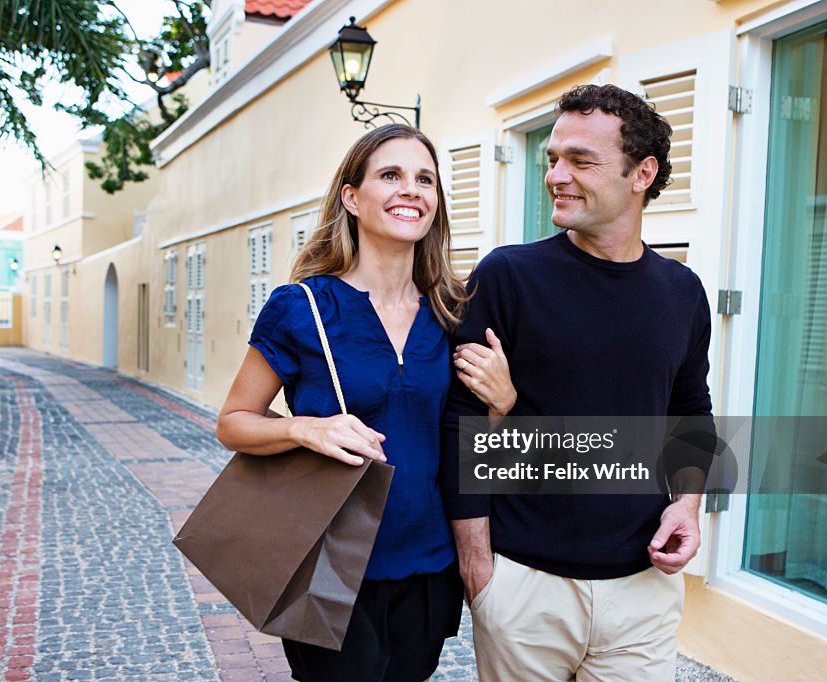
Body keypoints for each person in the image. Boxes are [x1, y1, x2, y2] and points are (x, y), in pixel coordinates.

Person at [216, 124, 509, 682]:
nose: (412, 190)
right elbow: (233, 422)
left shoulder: (453, 312)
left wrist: (504, 402)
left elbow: (469, 437)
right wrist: (305, 429)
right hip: (324, 558)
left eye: (425, 179)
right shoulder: (301, 306)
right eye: (391, 175)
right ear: (352, 197)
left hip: (429, 560)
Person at [443, 84, 713, 681]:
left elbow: (691, 409)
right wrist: (479, 567)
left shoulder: (682, 292)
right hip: (525, 582)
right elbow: (461, 421)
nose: (557, 175)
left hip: (644, 586)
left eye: (581, 161)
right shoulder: (508, 276)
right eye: (552, 159)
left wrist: (688, 505)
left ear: (642, 173)